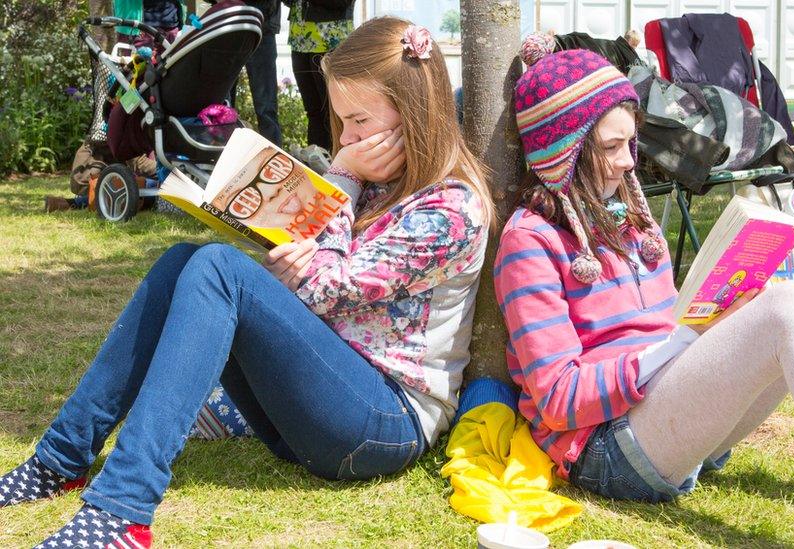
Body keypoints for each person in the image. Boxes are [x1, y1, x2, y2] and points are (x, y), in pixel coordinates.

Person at [0, 17, 493, 548]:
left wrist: (341, 179)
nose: (346, 139)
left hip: (383, 423)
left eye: (358, 122)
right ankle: (60, 460)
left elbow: (328, 287)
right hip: (316, 413)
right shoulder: (378, 185)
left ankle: (123, 510)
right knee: (182, 260)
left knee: (218, 268)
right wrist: (289, 276)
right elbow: (321, 292)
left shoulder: (452, 208)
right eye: (341, 123)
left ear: (414, 116)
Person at [496, 49, 794, 548]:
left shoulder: (630, 217)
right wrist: (686, 341)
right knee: (786, 311)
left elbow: (664, 330)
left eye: (631, 141)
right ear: (562, 153)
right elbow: (557, 400)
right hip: (607, 447)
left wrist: (719, 315)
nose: (629, 160)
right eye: (610, 147)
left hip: (673, 416)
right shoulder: (530, 241)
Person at [284, 0, 356, 150]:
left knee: (334, 111)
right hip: (300, 39)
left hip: (330, 38)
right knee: (313, 110)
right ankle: (316, 164)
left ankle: (341, 165)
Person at [235, 0, 284, 146]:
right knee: (223, 104)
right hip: (230, 26)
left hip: (263, 25)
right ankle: (222, 155)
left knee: (266, 107)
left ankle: (272, 156)